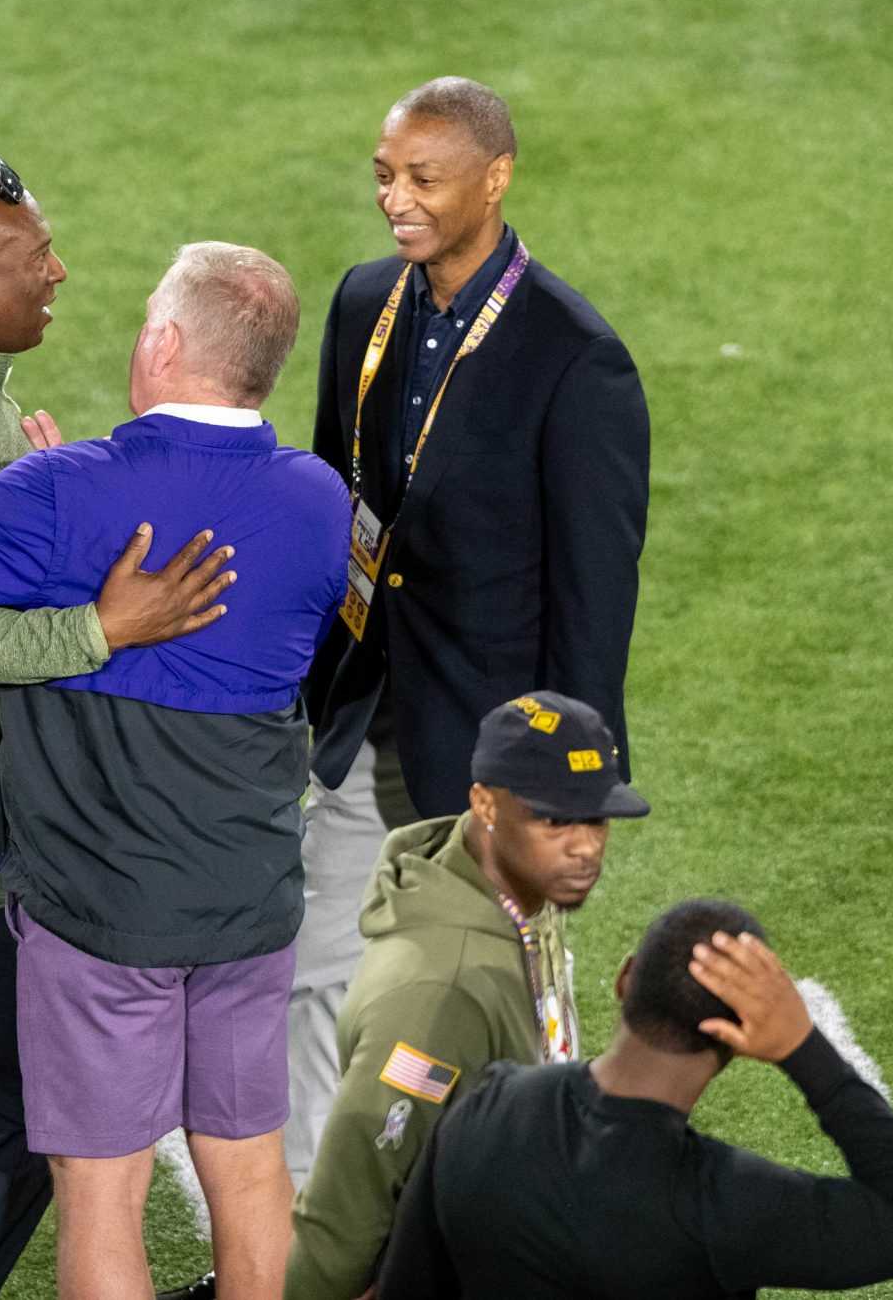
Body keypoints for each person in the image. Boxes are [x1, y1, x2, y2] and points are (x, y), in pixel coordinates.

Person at [0, 241, 347, 1300]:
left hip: (102, 917)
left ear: (163, 340)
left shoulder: (69, 493)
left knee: (99, 1191)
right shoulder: (319, 499)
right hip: (250, 901)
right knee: (247, 1174)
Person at [287, 76, 648, 1183]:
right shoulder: (364, 303)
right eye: (384, 175)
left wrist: (564, 788)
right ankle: (317, 1239)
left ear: (494, 179)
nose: (395, 199)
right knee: (312, 979)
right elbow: (333, 498)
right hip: (366, 713)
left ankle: (533, 1228)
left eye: (422, 178)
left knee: (497, 1019)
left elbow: (595, 602)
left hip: (488, 754)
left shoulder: (573, 358)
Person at [373, 901, 893, 1299]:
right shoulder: (729, 1205)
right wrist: (801, 1047)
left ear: (626, 979)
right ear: (736, 1039)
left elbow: (406, 1284)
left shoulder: (485, 1103)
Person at [283, 693, 644, 1300]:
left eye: (596, 819)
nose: (586, 847)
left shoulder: (517, 887)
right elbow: (348, 1204)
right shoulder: (440, 988)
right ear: (484, 804)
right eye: (556, 820)